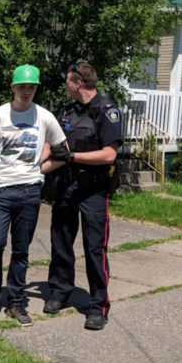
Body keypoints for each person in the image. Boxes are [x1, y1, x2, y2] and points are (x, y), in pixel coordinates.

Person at [0, 64, 68, 326]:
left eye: (32, 86)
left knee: (21, 250)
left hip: (29, 191)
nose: (27, 91)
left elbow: (63, 153)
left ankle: (15, 302)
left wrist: (40, 170)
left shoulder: (45, 117)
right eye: (23, 86)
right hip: (0, 191)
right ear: (12, 87)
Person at [45, 61, 124, 330]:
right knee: (61, 243)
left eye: (68, 81)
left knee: (94, 249)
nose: (66, 86)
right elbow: (51, 143)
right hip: (66, 186)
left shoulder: (106, 111)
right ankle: (59, 293)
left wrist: (73, 156)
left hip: (93, 189)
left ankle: (97, 306)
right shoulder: (67, 110)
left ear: (78, 83)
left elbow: (109, 154)